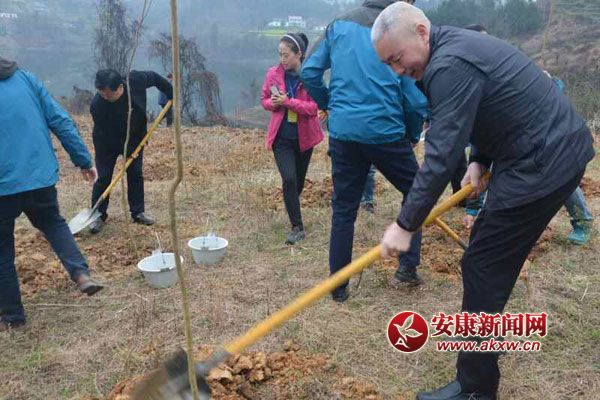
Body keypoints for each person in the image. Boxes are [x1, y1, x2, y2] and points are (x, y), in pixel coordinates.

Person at [372, 3, 594, 399]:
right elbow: (493, 104)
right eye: (388, 63)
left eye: (397, 58)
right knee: (485, 264)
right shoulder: (455, 47)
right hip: (547, 149)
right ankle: (479, 364)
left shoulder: (448, 65)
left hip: (542, 162)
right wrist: (480, 158)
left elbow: (441, 156)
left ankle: (475, 387)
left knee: (483, 266)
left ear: (421, 32)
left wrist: (406, 224)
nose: (397, 70)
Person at [301, 0, 428, 303]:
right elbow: (414, 100)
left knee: (344, 208)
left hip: (344, 133)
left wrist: (330, 103)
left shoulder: (338, 25)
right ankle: (407, 268)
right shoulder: (400, 29)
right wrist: (412, 134)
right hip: (386, 132)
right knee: (417, 192)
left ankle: (338, 286)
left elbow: (309, 72)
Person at [460, 28, 594, 245]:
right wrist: (472, 209)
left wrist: (548, 83)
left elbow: (555, 92)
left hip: (542, 140)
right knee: (490, 174)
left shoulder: (512, 67)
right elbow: (478, 148)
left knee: (559, 176)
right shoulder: (471, 82)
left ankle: (582, 220)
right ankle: (487, 216)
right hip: (503, 143)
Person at [0, 57, 105, 331]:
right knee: (54, 223)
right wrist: (83, 160)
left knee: (2, 252)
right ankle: (81, 274)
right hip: (39, 178)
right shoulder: (25, 79)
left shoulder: (26, 78)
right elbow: (60, 120)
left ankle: (13, 317)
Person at [88, 69, 173, 234]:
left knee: (135, 173)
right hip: (106, 142)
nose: (104, 97)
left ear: (120, 87)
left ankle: (138, 212)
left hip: (135, 138)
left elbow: (155, 78)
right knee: (103, 177)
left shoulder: (135, 80)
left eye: (108, 94)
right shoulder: (97, 106)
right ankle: (98, 215)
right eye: (101, 93)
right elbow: (107, 132)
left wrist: (171, 93)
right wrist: (124, 148)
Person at [261, 32, 324, 245]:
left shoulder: (310, 77)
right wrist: (273, 103)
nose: (282, 59)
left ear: (299, 54)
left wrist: (288, 102)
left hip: (305, 139)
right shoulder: (273, 74)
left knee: (297, 183)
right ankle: (297, 227)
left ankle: (291, 206)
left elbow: (313, 108)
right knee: (288, 179)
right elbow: (264, 99)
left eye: (286, 55)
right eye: (280, 54)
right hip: (282, 138)